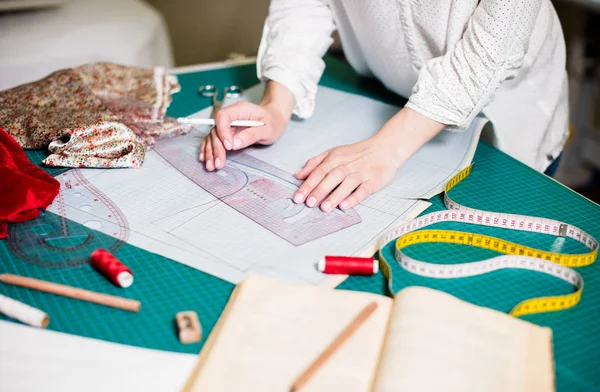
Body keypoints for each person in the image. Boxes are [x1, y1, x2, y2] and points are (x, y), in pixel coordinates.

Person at [200, 0, 568, 212]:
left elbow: (492, 50)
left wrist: (385, 152)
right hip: (391, 89)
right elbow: (305, 4)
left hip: (509, 113)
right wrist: (277, 103)